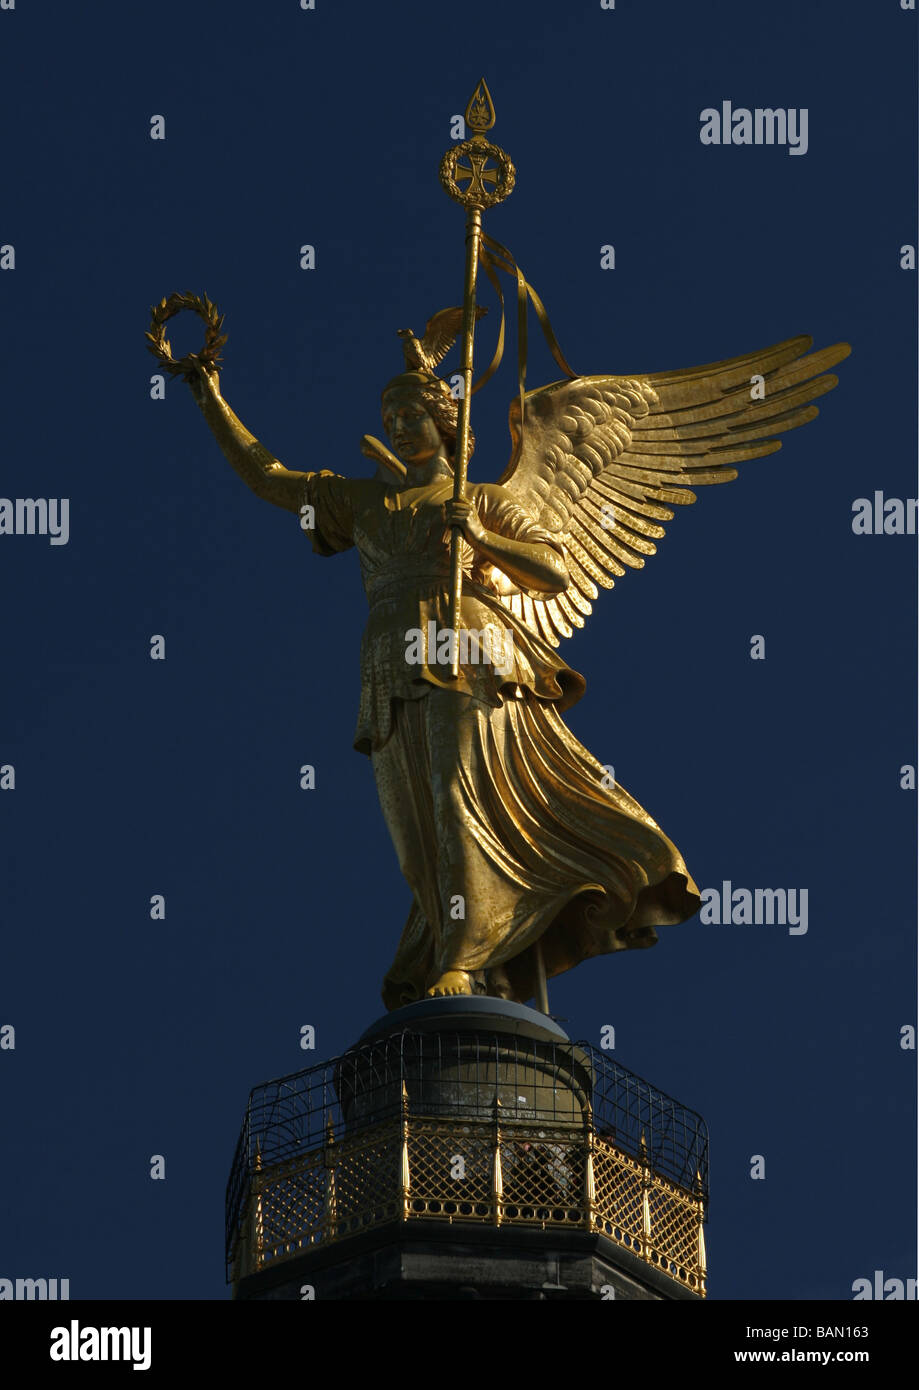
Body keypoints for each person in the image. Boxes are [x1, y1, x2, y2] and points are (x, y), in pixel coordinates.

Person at [186, 358, 700, 1008]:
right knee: (417, 827)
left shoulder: (482, 498)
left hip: (469, 648)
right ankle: (457, 949)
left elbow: (550, 571)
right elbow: (270, 479)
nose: (399, 426)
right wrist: (208, 393)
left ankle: (463, 958)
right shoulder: (364, 501)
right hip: (389, 659)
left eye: (412, 414)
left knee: (459, 799)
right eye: (390, 417)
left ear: (445, 421)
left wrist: (480, 538)